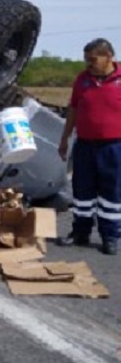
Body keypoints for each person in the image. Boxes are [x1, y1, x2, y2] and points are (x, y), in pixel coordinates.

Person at [57, 38, 121, 255]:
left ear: (109, 57)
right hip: (84, 146)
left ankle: (110, 237)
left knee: (111, 194)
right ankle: (80, 233)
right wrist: (65, 138)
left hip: (114, 148)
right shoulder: (82, 80)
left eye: (93, 60)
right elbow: (73, 109)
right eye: (86, 60)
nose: (88, 64)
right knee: (82, 192)